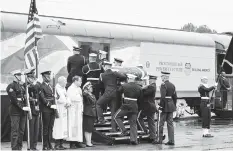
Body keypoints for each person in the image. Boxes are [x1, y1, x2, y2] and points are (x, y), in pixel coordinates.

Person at [96, 61, 127, 132]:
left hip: (107, 93)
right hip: (116, 94)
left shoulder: (102, 75)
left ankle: (101, 119)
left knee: (98, 104)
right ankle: (114, 129)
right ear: (110, 67)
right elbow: (124, 77)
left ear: (105, 67)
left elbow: (100, 86)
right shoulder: (115, 73)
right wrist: (118, 79)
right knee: (113, 111)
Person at [114, 74, 143, 145]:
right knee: (133, 123)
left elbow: (118, 92)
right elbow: (140, 100)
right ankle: (134, 140)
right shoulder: (139, 88)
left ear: (129, 79)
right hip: (135, 106)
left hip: (126, 105)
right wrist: (138, 108)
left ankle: (124, 131)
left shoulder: (124, 86)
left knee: (116, 117)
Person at [6, 69, 30, 150]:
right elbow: (14, 99)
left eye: (20, 75)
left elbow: (24, 97)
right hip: (15, 111)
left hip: (22, 111)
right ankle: (14, 147)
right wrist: (22, 107)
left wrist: (25, 106)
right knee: (15, 131)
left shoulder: (22, 86)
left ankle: (19, 146)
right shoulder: (11, 86)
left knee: (21, 130)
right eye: (18, 75)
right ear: (15, 76)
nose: (20, 76)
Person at [153, 71, 177, 145]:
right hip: (171, 105)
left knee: (161, 123)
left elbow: (163, 97)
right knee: (170, 124)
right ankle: (171, 140)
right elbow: (175, 97)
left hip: (165, 106)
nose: (161, 78)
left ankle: (159, 140)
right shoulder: (173, 85)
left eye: (161, 77)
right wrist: (174, 106)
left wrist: (160, 107)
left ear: (164, 77)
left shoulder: (163, 85)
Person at [39, 70, 57, 150]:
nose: (49, 78)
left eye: (49, 76)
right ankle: (45, 145)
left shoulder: (50, 86)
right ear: (43, 77)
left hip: (52, 109)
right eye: (47, 76)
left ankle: (50, 144)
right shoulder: (41, 86)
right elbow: (43, 98)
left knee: (51, 127)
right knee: (45, 128)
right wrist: (50, 105)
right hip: (46, 109)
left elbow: (53, 97)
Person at [137, 75, 158, 143]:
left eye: (150, 80)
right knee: (151, 122)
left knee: (138, 118)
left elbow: (144, 93)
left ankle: (145, 131)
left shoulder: (152, 87)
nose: (149, 80)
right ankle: (152, 137)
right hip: (150, 107)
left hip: (147, 107)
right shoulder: (152, 86)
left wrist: (141, 88)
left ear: (153, 80)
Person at [66, 76, 85, 148]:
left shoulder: (79, 88)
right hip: (73, 110)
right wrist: (79, 98)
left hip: (78, 110)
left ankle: (78, 141)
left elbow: (81, 99)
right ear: (75, 81)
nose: (81, 82)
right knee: (73, 126)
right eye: (80, 81)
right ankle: (72, 142)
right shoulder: (71, 89)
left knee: (78, 126)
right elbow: (72, 98)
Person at [25, 68, 41, 151]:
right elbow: (30, 91)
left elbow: (39, 89)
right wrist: (34, 84)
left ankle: (34, 146)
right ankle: (30, 146)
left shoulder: (36, 84)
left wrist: (35, 84)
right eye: (31, 76)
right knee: (31, 129)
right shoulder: (26, 85)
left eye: (33, 76)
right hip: (30, 109)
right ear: (27, 77)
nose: (33, 78)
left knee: (36, 128)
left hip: (37, 108)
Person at [53, 76, 70, 150]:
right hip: (59, 110)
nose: (66, 83)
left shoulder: (64, 88)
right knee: (58, 127)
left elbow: (67, 97)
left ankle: (61, 143)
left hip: (64, 109)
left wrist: (68, 102)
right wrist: (65, 102)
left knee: (63, 127)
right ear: (61, 82)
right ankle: (57, 144)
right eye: (65, 81)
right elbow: (58, 99)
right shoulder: (56, 88)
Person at [82, 82, 97, 147]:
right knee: (87, 128)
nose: (91, 88)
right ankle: (88, 142)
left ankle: (89, 141)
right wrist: (85, 90)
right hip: (87, 113)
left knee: (90, 129)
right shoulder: (86, 95)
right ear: (87, 88)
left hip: (92, 113)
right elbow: (84, 94)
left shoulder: (92, 95)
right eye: (90, 87)